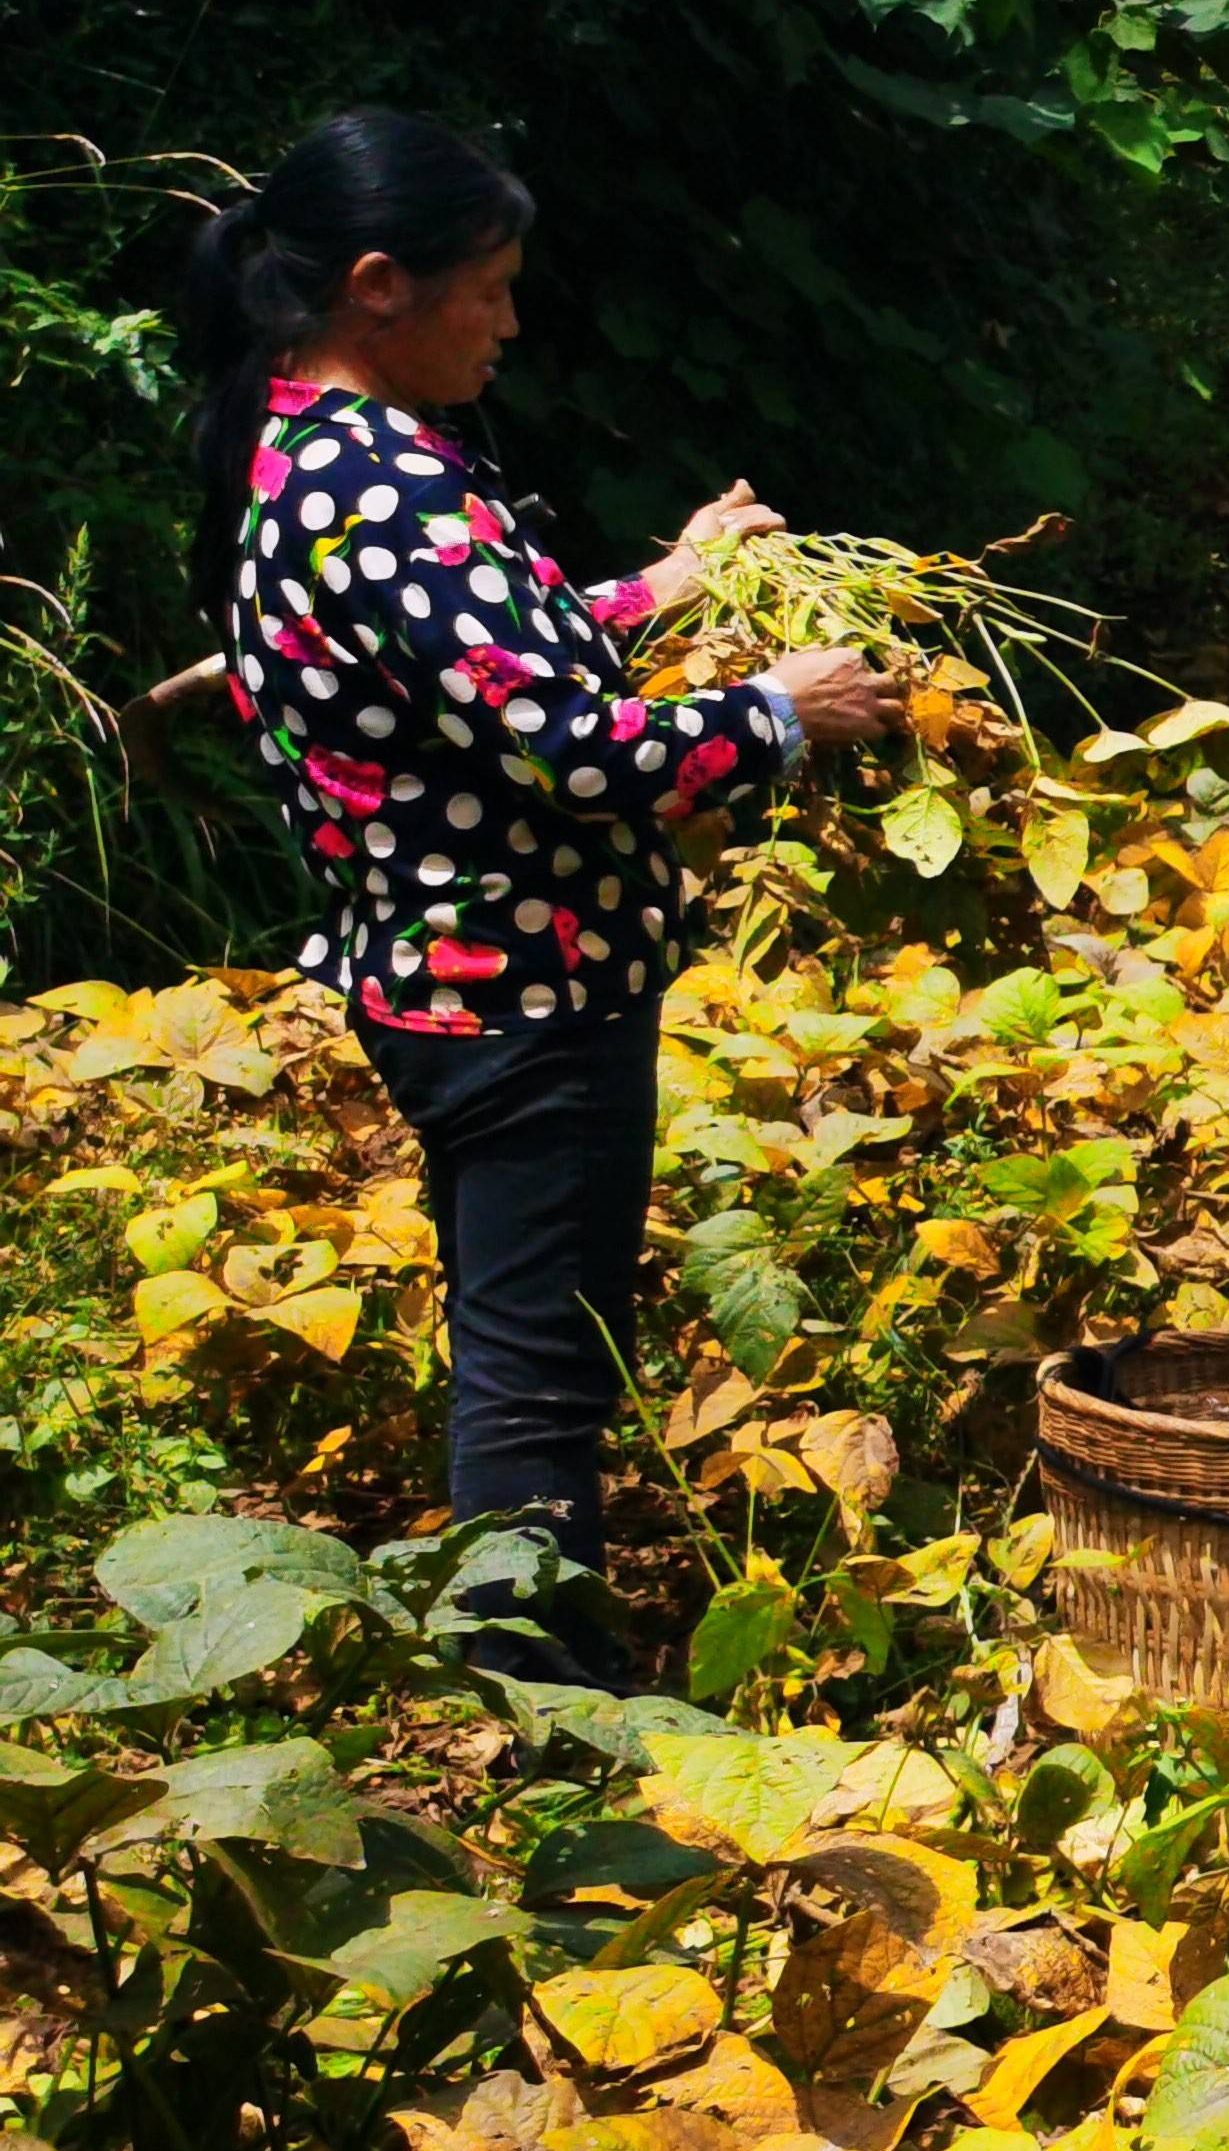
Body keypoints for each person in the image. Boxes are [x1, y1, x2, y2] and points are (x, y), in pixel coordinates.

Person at [189, 113, 897, 1689]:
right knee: (538, 1374)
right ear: (381, 285)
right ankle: (544, 1715)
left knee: (530, 1333)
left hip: (456, 975)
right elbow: (571, 748)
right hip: (515, 990)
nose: (511, 324)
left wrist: (664, 588)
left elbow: (480, 659)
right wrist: (780, 708)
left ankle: (527, 1671)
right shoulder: (380, 484)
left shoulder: (322, 447)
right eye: (491, 290)